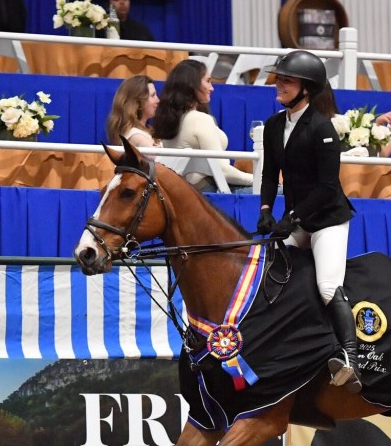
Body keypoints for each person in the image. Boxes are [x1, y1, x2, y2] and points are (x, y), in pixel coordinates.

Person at [254, 50, 360, 393]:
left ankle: (350, 358)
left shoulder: (322, 128)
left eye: (287, 80)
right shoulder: (274, 125)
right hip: (296, 219)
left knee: (327, 286)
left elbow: (328, 188)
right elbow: (269, 174)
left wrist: (293, 218)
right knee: (270, 275)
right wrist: (266, 210)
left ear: (306, 89)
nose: (279, 84)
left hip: (327, 220)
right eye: (279, 78)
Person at [153, 59, 254, 192]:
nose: (212, 88)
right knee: (279, 191)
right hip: (212, 192)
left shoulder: (169, 119)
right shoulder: (200, 119)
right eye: (208, 81)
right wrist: (258, 180)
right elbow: (222, 170)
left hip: (186, 191)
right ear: (192, 85)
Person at [105, 75, 159, 148]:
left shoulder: (144, 132)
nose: (158, 100)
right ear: (138, 101)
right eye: (153, 95)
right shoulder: (135, 135)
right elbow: (158, 155)